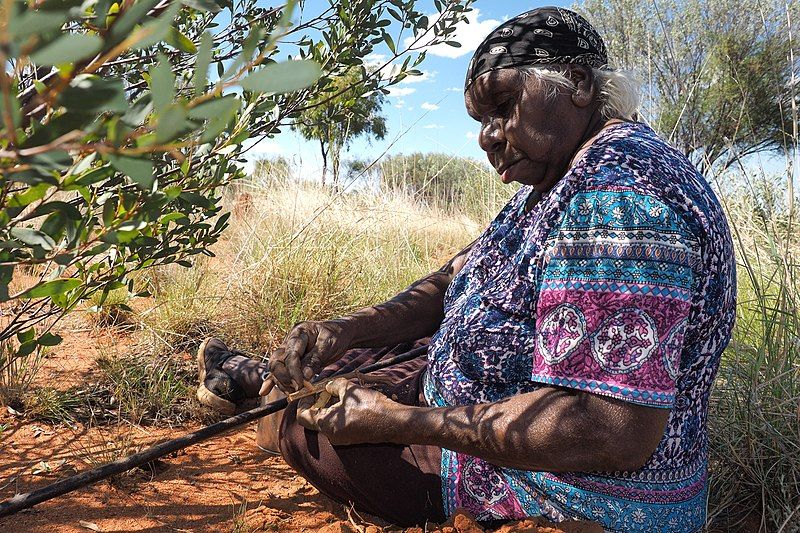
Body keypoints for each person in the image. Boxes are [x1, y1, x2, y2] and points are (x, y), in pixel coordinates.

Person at [195, 7, 736, 532]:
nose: (487, 136)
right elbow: (456, 279)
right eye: (481, 121)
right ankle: (258, 378)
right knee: (344, 364)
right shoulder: (562, 178)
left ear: (577, 83)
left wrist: (400, 423)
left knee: (309, 427)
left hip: (568, 489)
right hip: (472, 396)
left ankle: (261, 398)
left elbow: (609, 430)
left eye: (504, 105)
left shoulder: (618, 201)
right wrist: (343, 330)